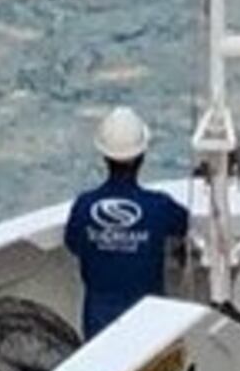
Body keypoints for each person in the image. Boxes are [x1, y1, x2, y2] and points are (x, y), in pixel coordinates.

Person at [64, 104, 190, 339]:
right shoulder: (160, 207)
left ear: (104, 156)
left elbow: (73, 244)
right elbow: (184, 224)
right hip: (148, 325)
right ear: (142, 156)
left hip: (97, 326)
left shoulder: (84, 206)